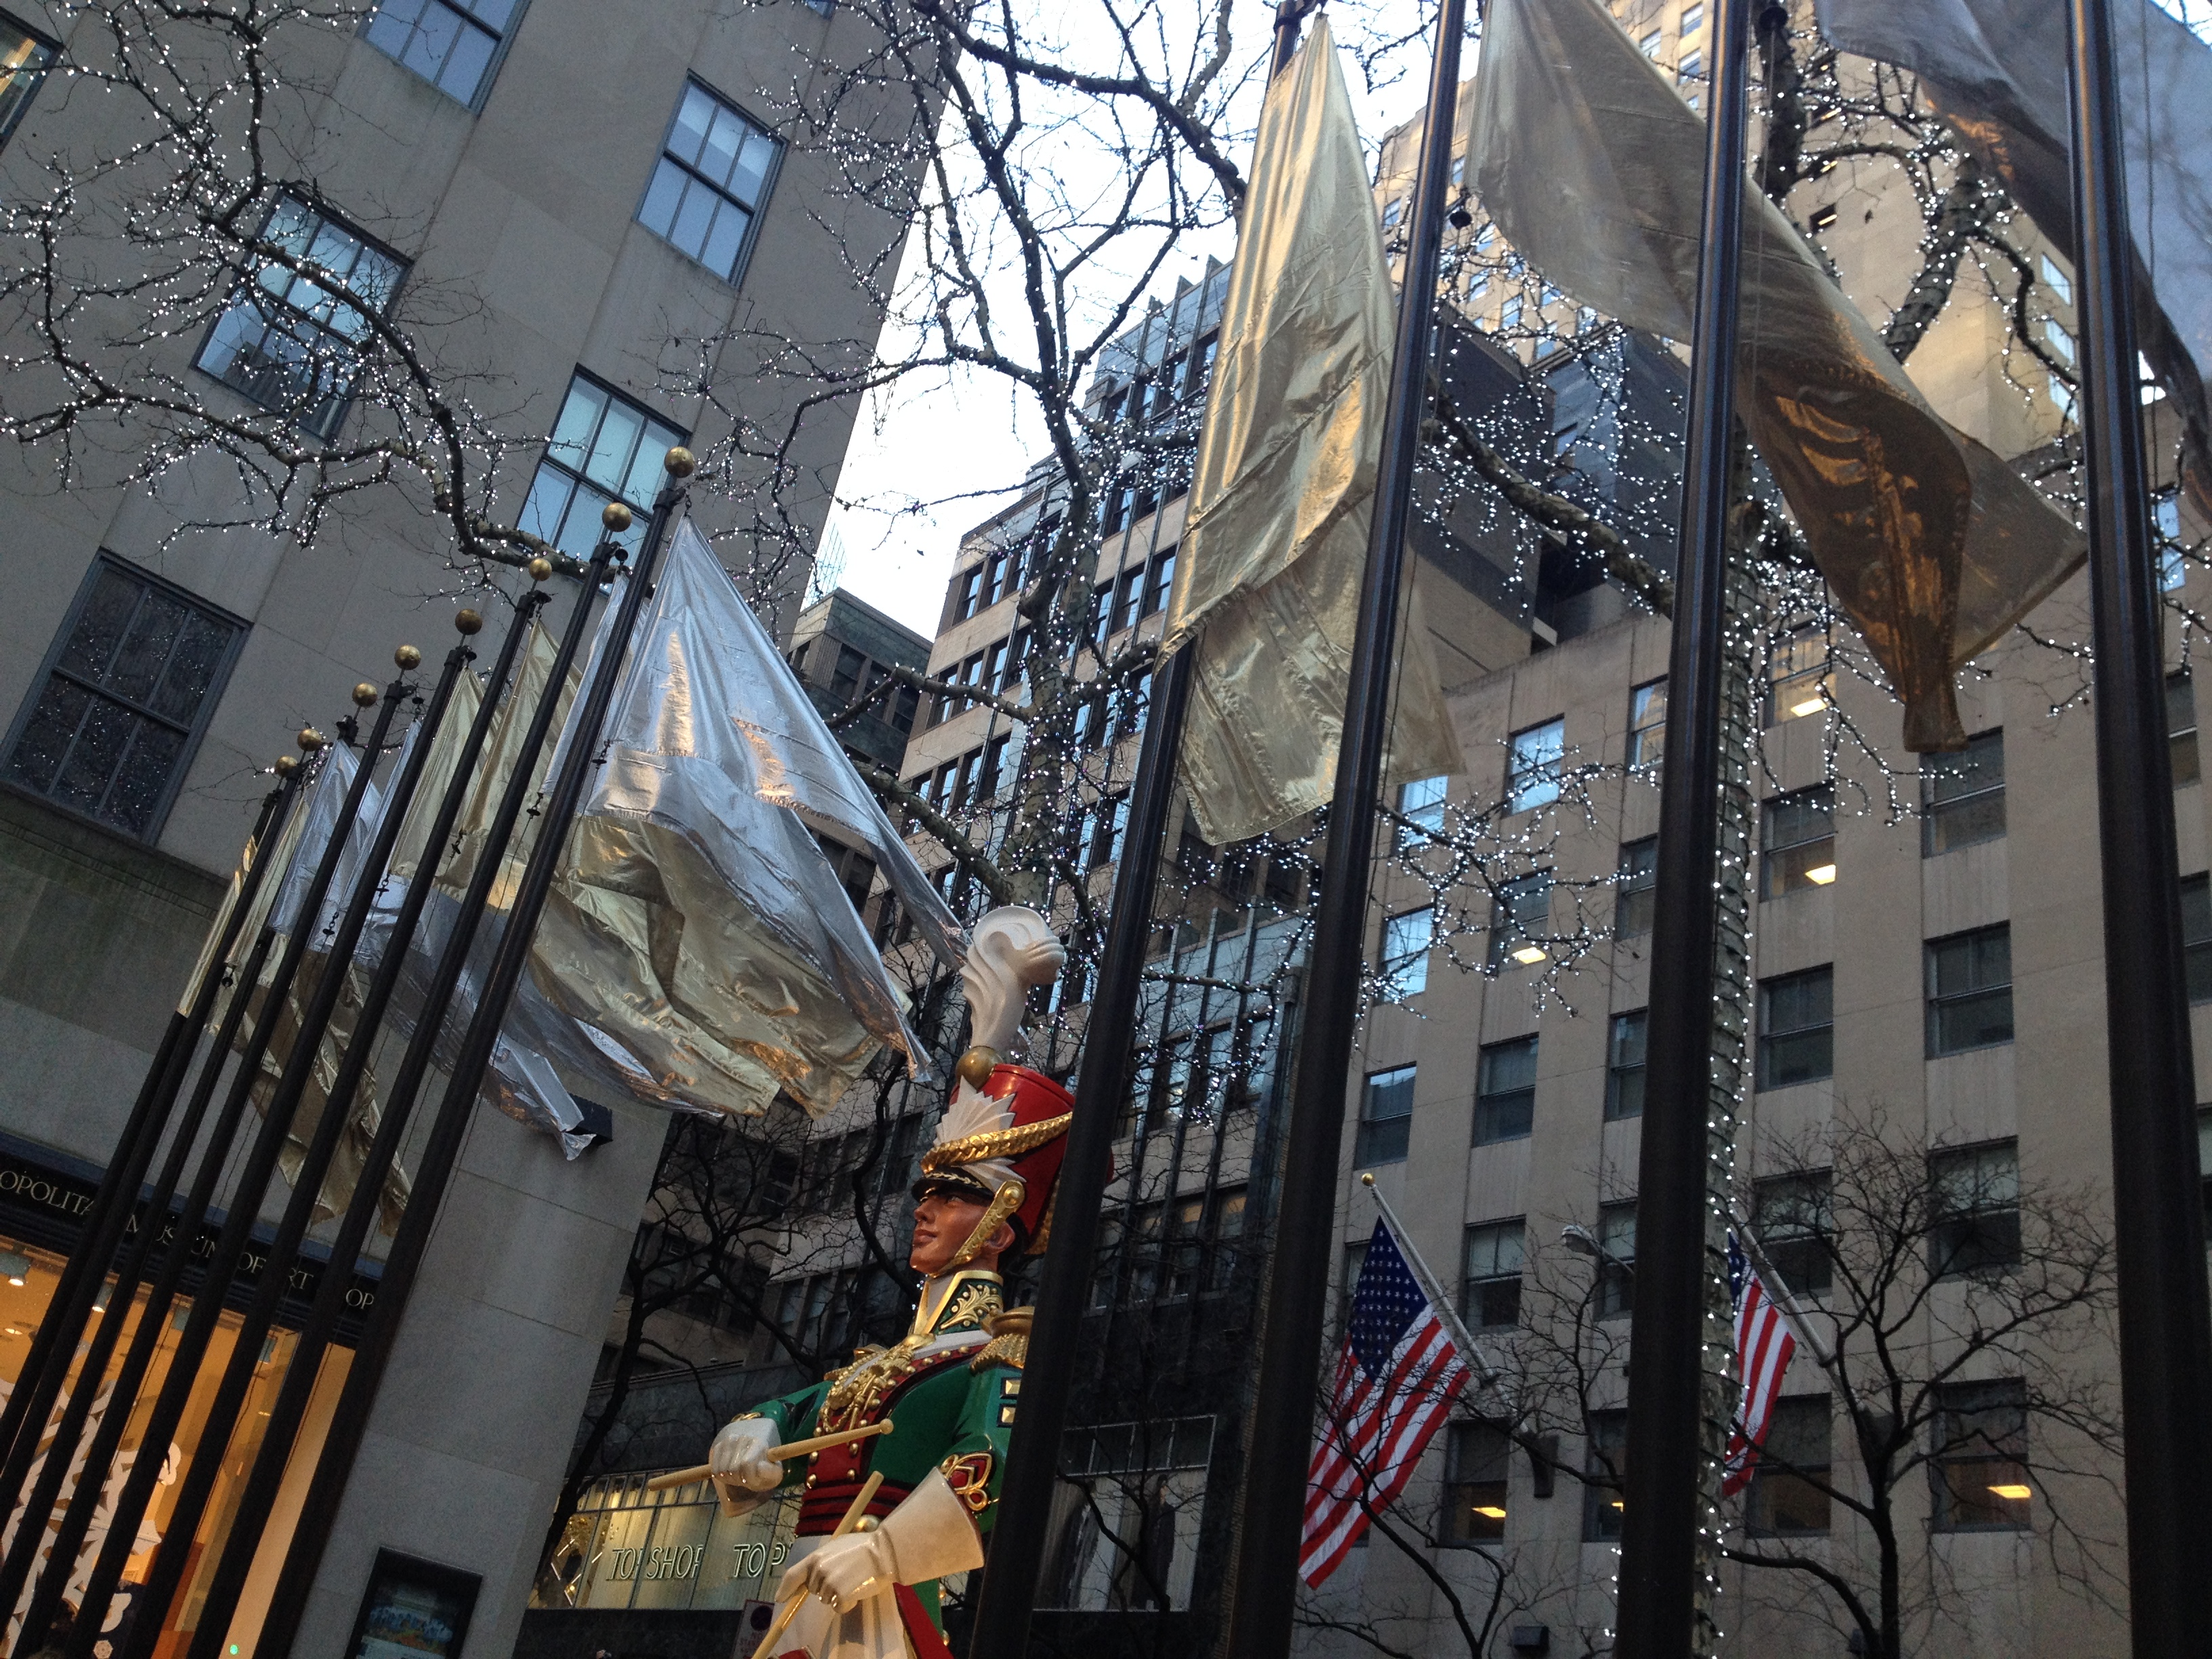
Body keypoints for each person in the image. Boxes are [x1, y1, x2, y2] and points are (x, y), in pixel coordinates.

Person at [708, 907, 1071, 1659]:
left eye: (953, 1197)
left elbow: (989, 1466)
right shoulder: (886, 1363)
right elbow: (805, 1414)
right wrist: (757, 1428)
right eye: (925, 1194)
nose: (925, 1211)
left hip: (885, 1607)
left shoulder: (997, 1355)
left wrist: (885, 1552)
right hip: (804, 1596)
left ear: (999, 1229)